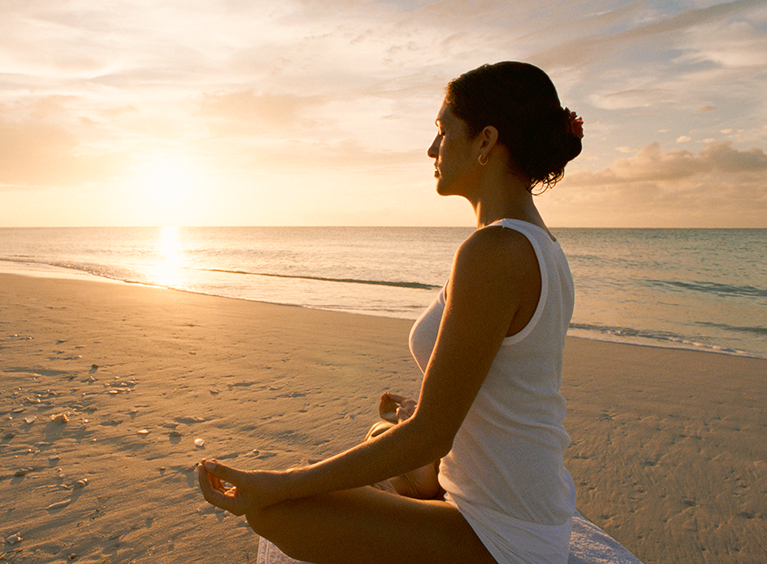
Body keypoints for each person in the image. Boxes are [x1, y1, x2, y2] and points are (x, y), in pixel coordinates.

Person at [198, 61, 584, 564]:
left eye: (443, 132)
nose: (431, 149)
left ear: (486, 142)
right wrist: (423, 416)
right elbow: (510, 392)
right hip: (521, 502)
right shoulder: (540, 245)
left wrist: (282, 483)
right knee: (384, 434)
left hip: (505, 535)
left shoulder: (494, 253)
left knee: (279, 513)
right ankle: (414, 485)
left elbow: (431, 435)